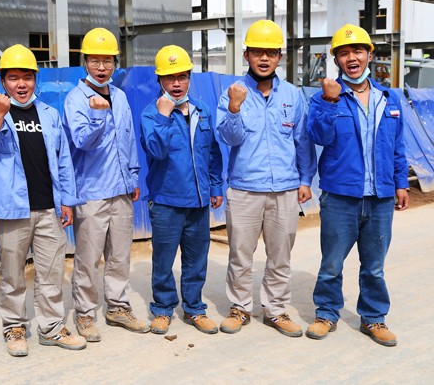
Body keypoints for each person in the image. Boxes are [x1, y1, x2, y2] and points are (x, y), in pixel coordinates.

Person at [0, 44, 86, 354]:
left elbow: (63, 160)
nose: (21, 84)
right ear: (3, 81)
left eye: (27, 77)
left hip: (49, 207)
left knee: (51, 273)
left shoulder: (49, 114)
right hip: (12, 210)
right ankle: (14, 327)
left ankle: (52, 328)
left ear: (36, 79)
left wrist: (67, 200)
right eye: (13, 78)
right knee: (12, 274)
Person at [305, 24, 409, 347]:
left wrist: (401, 183)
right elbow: (318, 136)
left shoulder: (388, 99)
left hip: (380, 196)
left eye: (358, 51)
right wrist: (329, 100)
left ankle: (373, 318)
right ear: (336, 59)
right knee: (331, 263)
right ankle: (326, 313)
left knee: (374, 266)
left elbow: (397, 146)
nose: (352, 58)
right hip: (340, 196)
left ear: (369, 56)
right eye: (344, 53)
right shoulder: (325, 97)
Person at [216, 20, 316, 337]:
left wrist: (305, 179)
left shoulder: (292, 95)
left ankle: (275, 309)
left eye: (270, 53)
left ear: (279, 57)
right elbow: (229, 138)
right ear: (246, 54)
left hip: (284, 189)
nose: (264, 58)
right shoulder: (233, 93)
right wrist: (234, 108)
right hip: (244, 189)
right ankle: (240, 308)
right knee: (240, 255)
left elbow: (302, 141)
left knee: (280, 256)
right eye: (258, 52)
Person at [63, 27, 149, 341]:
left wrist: (133, 175)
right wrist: (98, 115)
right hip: (92, 192)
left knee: (120, 255)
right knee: (88, 258)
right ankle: (85, 314)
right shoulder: (76, 99)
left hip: (121, 190)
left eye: (108, 61)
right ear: (84, 62)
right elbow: (81, 141)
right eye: (95, 60)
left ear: (115, 63)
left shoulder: (120, 96)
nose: (102, 67)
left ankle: (117, 307)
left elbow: (128, 138)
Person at [140, 45, 224, 335]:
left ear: (189, 77)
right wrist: (164, 116)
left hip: (198, 200)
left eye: (182, 77)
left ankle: (194, 308)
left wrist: (215, 185)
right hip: (166, 200)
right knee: (163, 260)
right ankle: (163, 309)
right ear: (160, 80)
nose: (176, 84)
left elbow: (212, 152)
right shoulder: (151, 114)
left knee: (196, 259)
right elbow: (156, 150)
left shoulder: (202, 111)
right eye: (169, 78)